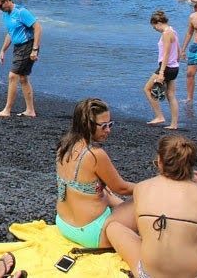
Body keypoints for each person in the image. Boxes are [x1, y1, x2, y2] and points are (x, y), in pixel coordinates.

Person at [113, 135, 197, 278]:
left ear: (160, 161)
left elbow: (144, 232)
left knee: (114, 227)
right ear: (191, 165)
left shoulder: (141, 188)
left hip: (149, 275)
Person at [55, 98, 136, 251]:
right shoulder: (95, 155)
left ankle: (119, 207)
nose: (108, 130)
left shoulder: (64, 146)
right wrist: (150, 188)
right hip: (92, 234)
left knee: (102, 189)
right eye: (103, 126)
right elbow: (122, 188)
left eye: (110, 124)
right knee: (140, 202)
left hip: (64, 224)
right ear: (88, 125)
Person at [0, 0, 41, 118]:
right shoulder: (5, 15)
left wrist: (35, 49)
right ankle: (30, 111)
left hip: (28, 45)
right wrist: (3, 50)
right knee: (23, 78)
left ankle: (7, 110)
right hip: (18, 47)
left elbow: (37, 27)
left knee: (12, 76)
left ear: (7, 1)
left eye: (0, 6)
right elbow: (10, 33)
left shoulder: (21, 12)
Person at [144, 11, 180, 129]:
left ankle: (159, 116)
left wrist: (161, 73)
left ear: (158, 23)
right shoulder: (173, 31)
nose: (154, 29)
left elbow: (166, 54)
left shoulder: (166, 33)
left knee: (147, 89)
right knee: (170, 94)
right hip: (174, 67)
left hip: (167, 67)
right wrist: (177, 62)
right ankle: (174, 124)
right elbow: (178, 50)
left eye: (154, 26)